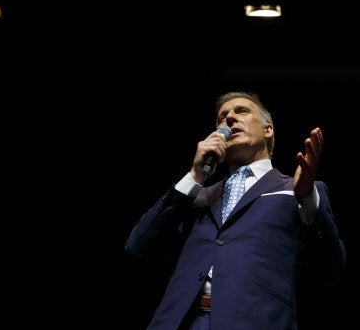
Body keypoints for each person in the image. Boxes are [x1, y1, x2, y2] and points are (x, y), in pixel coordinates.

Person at [123, 91, 346, 329]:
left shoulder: (298, 190)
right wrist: (194, 175)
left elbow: (329, 268)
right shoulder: (198, 195)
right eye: (222, 117)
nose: (229, 119)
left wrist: (306, 197)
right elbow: (138, 247)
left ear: (267, 130)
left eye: (242, 111)